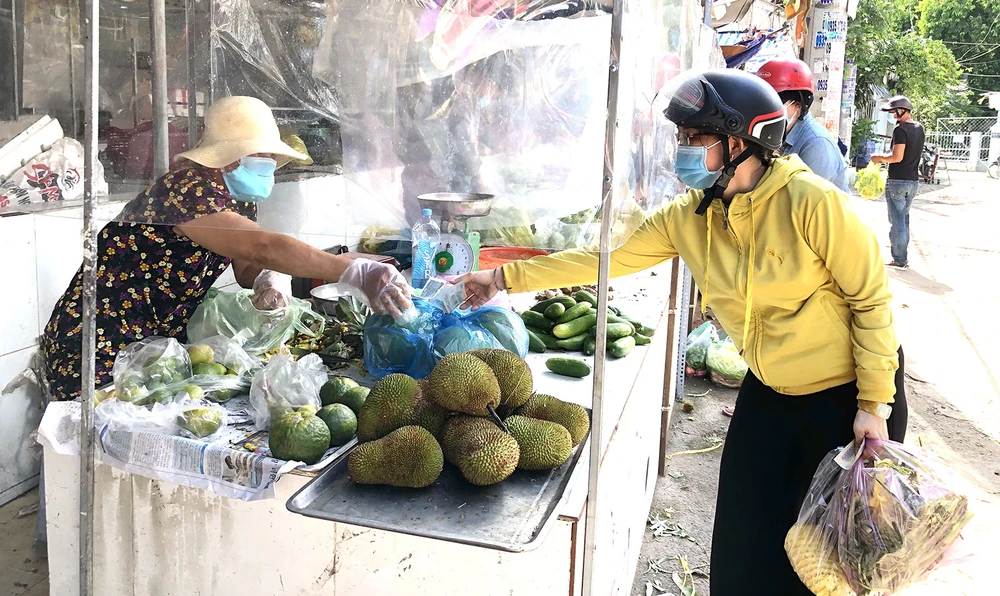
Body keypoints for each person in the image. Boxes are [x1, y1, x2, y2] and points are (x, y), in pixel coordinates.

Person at [458, 70, 907, 596]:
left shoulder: (812, 202)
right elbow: (606, 259)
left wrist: (873, 404)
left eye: (696, 138)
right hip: (768, 391)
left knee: (828, 566)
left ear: (739, 143)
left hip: (846, 400)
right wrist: (502, 277)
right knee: (743, 546)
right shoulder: (688, 218)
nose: (684, 151)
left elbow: (872, 302)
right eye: (682, 139)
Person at [41, 96, 412, 401]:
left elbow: (248, 264)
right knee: (90, 449)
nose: (269, 165)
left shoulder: (235, 197)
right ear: (232, 157)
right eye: (263, 156)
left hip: (153, 345)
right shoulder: (185, 190)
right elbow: (262, 245)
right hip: (98, 342)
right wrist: (350, 270)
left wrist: (269, 281)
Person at [756, 58, 848, 192]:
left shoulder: (816, 145)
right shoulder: (775, 136)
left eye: (773, 104)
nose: (764, 110)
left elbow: (809, 202)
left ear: (797, 105)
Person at [871, 95, 925, 269]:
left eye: (894, 112)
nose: (893, 116)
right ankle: (902, 258)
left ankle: (900, 259)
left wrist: (878, 158)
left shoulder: (900, 130)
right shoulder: (919, 128)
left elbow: (897, 156)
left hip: (897, 182)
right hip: (913, 182)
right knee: (904, 219)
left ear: (903, 111)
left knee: (898, 222)